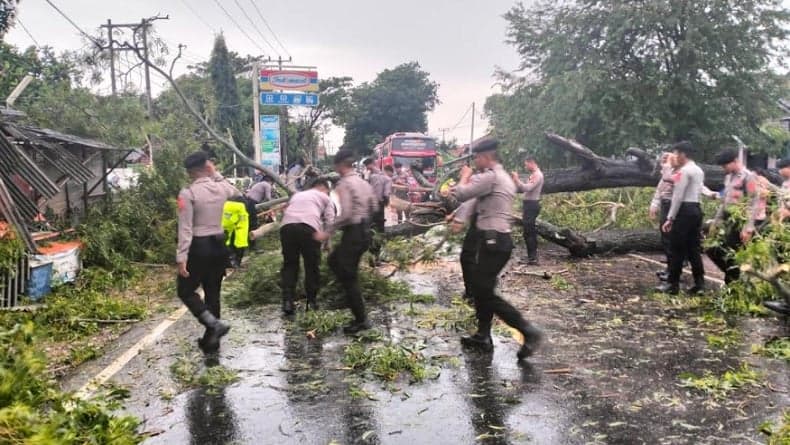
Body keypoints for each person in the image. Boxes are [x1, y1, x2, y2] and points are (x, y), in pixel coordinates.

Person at [449, 137, 542, 361]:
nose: (476, 161)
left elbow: (462, 193)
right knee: (483, 289)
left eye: (477, 157)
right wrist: (458, 215)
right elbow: (475, 201)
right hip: (496, 240)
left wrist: (463, 177)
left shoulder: (491, 176)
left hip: (494, 241)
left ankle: (528, 331)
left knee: (484, 291)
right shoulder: (500, 176)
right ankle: (483, 335)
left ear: (486, 157)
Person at [176, 151, 241, 353]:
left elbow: (185, 228)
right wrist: (217, 174)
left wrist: (181, 257)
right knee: (213, 291)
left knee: (185, 290)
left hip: (199, 245)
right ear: (208, 167)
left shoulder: (188, 193)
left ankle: (213, 325)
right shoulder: (221, 187)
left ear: (189, 172)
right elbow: (237, 192)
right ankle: (211, 341)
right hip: (219, 246)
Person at [314, 150, 378, 334]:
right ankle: (351, 298)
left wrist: (328, 232)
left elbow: (347, 213)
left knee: (345, 272)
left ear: (340, 165)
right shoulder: (363, 182)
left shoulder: (344, 184)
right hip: (365, 231)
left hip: (354, 232)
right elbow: (374, 205)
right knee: (338, 263)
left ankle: (361, 318)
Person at [279, 178, 335, 314]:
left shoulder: (298, 195)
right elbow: (330, 221)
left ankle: (288, 302)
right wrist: (328, 243)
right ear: (325, 189)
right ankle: (311, 301)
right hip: (308, 228)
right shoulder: (326, 198)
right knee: (312, 265)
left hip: (287, 228)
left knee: (290, 265)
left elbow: (284, 211)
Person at [705, 148, 762, 284]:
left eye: (725, 165)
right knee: (713, 249)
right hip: (728, 218)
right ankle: (733, 279)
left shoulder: (748, 177)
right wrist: (716, 222)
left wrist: (748, 227)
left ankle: (734, 283)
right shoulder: (728, 177)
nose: (724, 169)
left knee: (734, 253)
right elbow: (725, 202)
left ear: (736, 161)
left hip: (741, 220)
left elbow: (754, 202)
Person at [656, 141, 706, 295]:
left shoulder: (684, 171)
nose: (675, 157)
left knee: (676, 248)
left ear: (683, 154)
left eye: (677, 153)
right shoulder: (698, 170)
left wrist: (670, 218)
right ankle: (700, 284)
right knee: (693, 249)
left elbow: (678, 195)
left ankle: (673, 284)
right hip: (696, 209)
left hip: (683, 210)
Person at [511, 156, 544, 265]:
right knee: (527, 232)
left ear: (531, 163)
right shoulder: (533, 175)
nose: (525, 167)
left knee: (529, 232)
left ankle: (533, 258)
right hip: (528, 205)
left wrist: (516, 180)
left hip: (532, 205)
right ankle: (531, 257)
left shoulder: (538, 175)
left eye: (526, 164)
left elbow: (527, 188)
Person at [364, 158, 392, 259]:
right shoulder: (386, 178)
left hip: (369, 206)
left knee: (369, 228)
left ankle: (371, 255)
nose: (367, 168)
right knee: (379, 230)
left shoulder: (369, 177)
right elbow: (386, 195)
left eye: (368, 166)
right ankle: (377, 256)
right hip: (378, 206)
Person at [221, 197, 249, 268]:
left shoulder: (224, 202)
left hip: (225, 222)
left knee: (225, 241)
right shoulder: (241, 205)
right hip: (239, 221)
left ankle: (229, 260)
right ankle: (236, 262)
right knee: (240, 242)